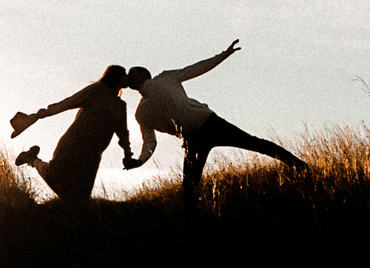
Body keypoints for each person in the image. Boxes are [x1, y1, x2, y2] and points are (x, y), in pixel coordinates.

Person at [124, 40, 308, 207]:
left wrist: (222, 55)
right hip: (194, 140)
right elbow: (150, 141)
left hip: (210, 123)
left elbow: (195, 69)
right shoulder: (141, 113)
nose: (128, 77)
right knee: (189, 187)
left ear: (141, 74)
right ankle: (192, 228)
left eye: (131, 73)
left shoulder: (164, 78)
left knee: (254, 143)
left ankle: (302, 168)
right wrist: (140, 161)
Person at [8, 65, 133, 204]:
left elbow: (123, 133)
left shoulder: (121, 106)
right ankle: (32, 159)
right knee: (54, 176)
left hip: (93, 153)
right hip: (74, 143)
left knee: (80, 197)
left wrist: (128, 154)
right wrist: (37, 115)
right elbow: (67, 103)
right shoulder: (97, 90)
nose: (128, 77)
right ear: (116, 76)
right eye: (125, 73)